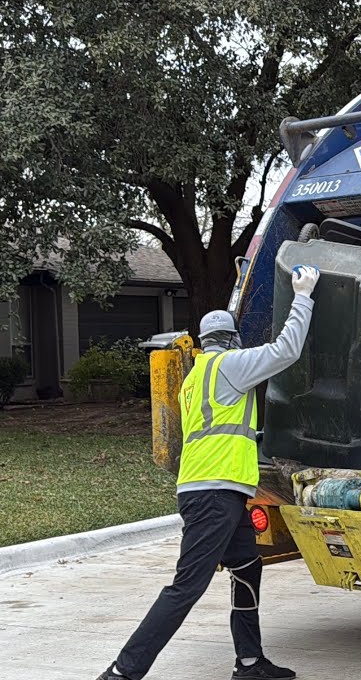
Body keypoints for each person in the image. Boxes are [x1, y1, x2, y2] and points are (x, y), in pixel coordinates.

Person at [98, 266, 321, 680]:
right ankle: (121, 673)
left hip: (214, 491)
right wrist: (303, 295)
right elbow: (286, 350)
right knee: (186, 587)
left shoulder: (194, 377)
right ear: (233, 339)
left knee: (246, 566)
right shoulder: (231, 367)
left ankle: (251, 663)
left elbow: (223, 428)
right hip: (214, 495)